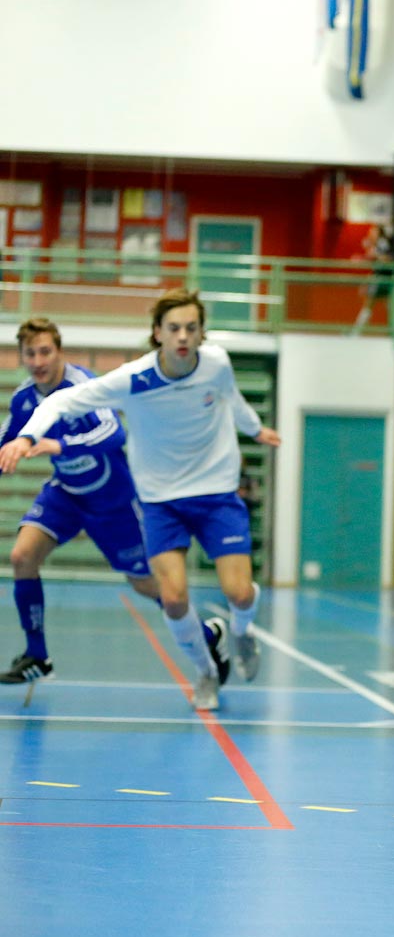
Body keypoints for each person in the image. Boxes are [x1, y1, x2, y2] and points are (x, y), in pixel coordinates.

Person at [0, 290, 281, 711]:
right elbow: (46, 412)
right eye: (174, 328)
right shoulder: (129, 379)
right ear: (157, 333)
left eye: (191, 328)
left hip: (167, 497)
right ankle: (204, 671)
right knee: (166, 596)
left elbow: (229, 400)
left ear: (202, 333)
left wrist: (255, 429)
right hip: (135, 497)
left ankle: (233, 632)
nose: (183, 336)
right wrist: (25, 438)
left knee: (232, 593)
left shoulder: (216, 364)